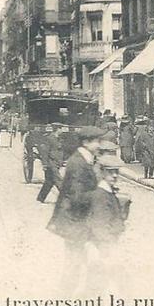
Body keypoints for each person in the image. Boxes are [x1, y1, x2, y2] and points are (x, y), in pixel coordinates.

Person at [47, 126, 103, 294]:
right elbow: (77, 196)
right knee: (76, 261)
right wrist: (100, 196)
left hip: (77, 220)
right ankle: (65, 299)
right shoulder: (79, 163)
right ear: (86, 142)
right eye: (97, 141)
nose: (99, 145)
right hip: (74, 222)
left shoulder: (82, 159)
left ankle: (70, 295)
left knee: (79, 260)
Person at [85, 154, 130, 294]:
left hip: (107, 244)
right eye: (111, 172)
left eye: (116, 172)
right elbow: (99, 225)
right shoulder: (101, 195)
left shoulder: (107, 192)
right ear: (103, 172)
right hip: (103, 246)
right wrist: (107, 246)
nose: (115, 175)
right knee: (106, 285)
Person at [36, 124, 62, 203]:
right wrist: (44, 164)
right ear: (57, 129)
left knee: (49, 182)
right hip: (51, 163)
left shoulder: (58, 139)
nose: (62, 130)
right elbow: (45, 152)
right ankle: (68, 200)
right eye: (61, 128)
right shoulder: (49, 139)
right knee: (59, 181)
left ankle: (40, 198)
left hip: (55, 163)